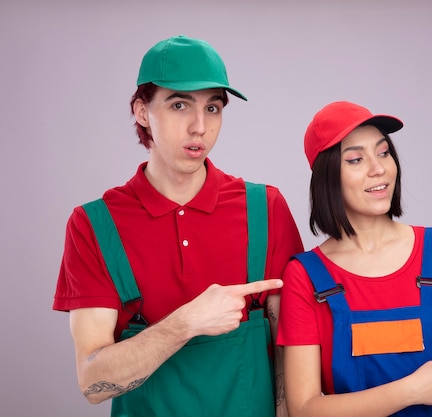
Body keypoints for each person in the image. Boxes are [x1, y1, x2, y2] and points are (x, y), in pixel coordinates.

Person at [53, 35, 303, 417]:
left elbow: (290, 352)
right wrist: (184, 323)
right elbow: (92, 382)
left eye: (213, 107)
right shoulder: (94, 225)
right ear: (142, 111)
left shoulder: (265, 209)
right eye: (179, 105)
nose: (199, 127)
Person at [277, 101, 432, 417]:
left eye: (383, 152)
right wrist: (410, 391)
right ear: (328, 177)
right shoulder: (305, 276)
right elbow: (304, 409)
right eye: (356, 159)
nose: (379, 169)